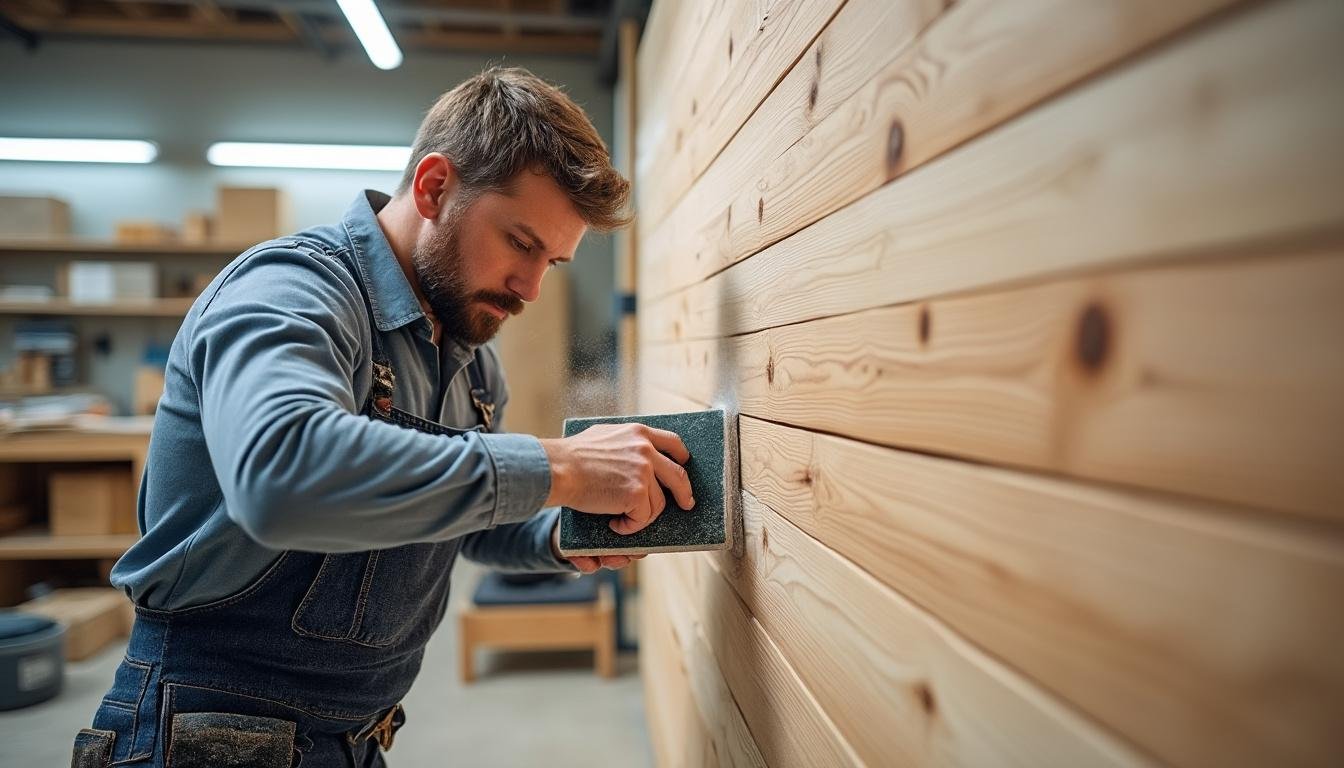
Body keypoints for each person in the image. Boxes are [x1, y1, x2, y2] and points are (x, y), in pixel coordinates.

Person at [70, 67, 695, 768]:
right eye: (521, 243)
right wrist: (563, 466)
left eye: (552, 260)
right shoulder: (293, 289)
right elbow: (282, 477)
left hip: (355, 737)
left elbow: (462, 522)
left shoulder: (471, 361)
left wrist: (568, 532)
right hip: (200, 729)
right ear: (433, 188)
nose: (531, 287)